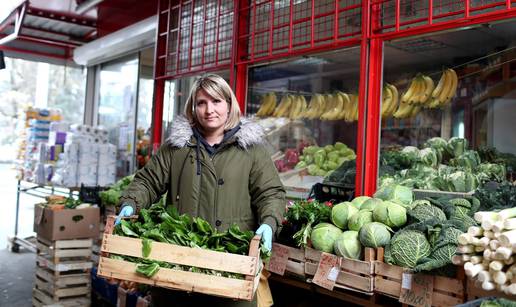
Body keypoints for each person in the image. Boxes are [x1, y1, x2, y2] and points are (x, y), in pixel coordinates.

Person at [116, 73, 286, 307]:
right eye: (201, 103)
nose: (209, 110)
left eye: (216, 101)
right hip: (177, 268)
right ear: (193, 107)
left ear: (229, 104)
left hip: (232, 270)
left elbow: (270, 193)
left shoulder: (252, 151)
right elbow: (147, 182)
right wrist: (130, 204)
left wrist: (269, 222)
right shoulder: (176, 148)